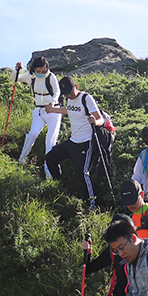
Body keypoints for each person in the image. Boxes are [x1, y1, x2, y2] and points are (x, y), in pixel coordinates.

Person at [44, 76, 104, 209]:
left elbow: (100, 119)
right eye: (66, 94)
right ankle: (61, 186)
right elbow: (69, 110)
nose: (69, 96)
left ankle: (92, 205)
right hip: (73, 141)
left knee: (83, 173)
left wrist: (95, 121)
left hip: (86, 142)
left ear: (75, 87)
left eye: (71, 92)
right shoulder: (68, 98)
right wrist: (53, 110)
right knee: (50, 157)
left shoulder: (86, 98)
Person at [8, 57, 61, 177]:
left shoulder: (51, 77)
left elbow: (57, 92)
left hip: (53, 111)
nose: (41, 73)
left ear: (47, 68)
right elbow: (14, 78)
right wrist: (16, 70)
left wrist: (52, 102)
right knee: (32, 134)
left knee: (50, 141)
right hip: (38, 110)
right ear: (34, 69)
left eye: (43, 71)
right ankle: (21, 160)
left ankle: (49, 172)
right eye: (38, 71)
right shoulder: (30, 76)